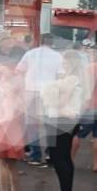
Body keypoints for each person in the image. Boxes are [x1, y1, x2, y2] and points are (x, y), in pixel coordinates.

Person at [42, 51, 85, 191]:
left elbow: (60, 101)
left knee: (58, 156)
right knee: (63, 156)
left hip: (62, 119)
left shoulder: (71, 80)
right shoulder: (73, 79)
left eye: (66, 62)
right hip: (66, 119)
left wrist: (49, 95)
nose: (63, 64)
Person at [0, 31, 25, 191]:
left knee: (1, 160)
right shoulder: (17, 87)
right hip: (15, 126)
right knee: (12, 163)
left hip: (5, 127)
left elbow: (7, 113)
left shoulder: (8, 91)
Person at [16, 34, 63, 166]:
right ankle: (50, 156)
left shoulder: (30, 54)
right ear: (52, 42)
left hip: (31, 93)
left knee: (32, 125)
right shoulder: (58, 57)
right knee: (49, 125)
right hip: (49, 94)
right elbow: (60, 76)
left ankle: (35, 155)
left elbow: (19, 71)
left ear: (40, 41)